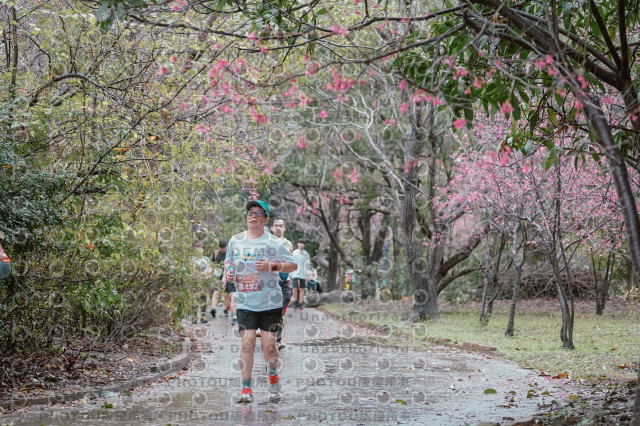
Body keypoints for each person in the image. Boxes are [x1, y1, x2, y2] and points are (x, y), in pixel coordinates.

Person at [224, 200, 297, 403]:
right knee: (247, 342)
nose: (253, 215)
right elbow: (229, 261)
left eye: (258, 213)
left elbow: (292, 265)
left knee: (269, 347)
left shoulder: (274, 242)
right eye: (250, 212)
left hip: (270, 301)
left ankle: (272, 372)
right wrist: (229, 272)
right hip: (245, 300)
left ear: (266, 219)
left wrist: (272, 266)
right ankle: (246, 388)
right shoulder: (236, 240)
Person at [270, 218, 294, 348]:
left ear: (284, 228)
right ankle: (271, 338)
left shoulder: (288, 243)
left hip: (284, 280)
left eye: (281, 225)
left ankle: (277, 339)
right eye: (276, 225)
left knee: (285, 301)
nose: (278, 227)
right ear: (272, 228)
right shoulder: (267, 242)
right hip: (270, 281)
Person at [212, 239, 236, 323]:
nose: (222, 249)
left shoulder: (229, 253)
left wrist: (225, 278)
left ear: (226, 246)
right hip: (217, 275)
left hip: (228, 274)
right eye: (221, 247)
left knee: (226, 293)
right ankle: (214, 308)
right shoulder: (215, 253)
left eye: (223, 247)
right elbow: (212, 264)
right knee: (216, 291)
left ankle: (226, 309)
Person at [191, 241, 213, 324]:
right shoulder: (192, 259)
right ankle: (194, 317)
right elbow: (190, 269)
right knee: (194, 298)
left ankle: (203, 316)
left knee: (203, 297)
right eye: (197, 248)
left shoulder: (206, 259)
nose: (199, 250)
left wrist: (207, 273)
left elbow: (210, 268)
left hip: (204, 281)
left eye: (200, 248)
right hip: (194, 281)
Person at [291, 238, 311, 309]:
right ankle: (295, 302)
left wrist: (308, 274)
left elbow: (308, 264)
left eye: (303, 243)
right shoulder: (294, 253)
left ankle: (300, 303)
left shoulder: (306, 254)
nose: (301, 245)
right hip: (295, 272)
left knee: (301, 288)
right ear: (298, 244)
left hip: (303, 273)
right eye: (300, 243)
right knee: (295, 288)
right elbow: (291, 263)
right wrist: (290, 273)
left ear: (304, 245)